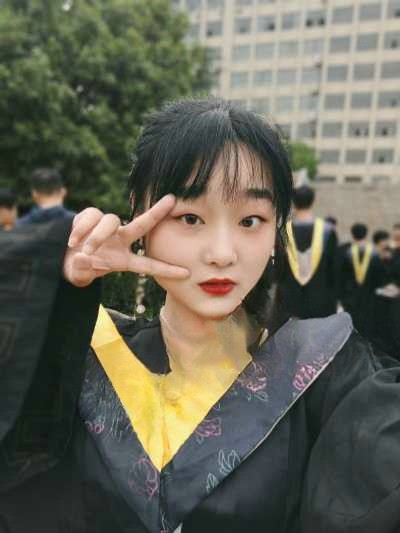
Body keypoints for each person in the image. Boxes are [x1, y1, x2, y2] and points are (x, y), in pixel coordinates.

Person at [1, 98, 400, 533]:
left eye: (251, 220)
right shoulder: (79, 351)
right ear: (139, 212)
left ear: (275, 229)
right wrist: (49, 278)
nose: (222, 254)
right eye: (190, 218)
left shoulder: (327, 374)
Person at [275, 185, 338, 319]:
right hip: (321, 299)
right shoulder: (328, 232)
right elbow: (334, 269)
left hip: (290, 300)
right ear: (313, 202)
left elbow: (277, 269)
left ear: (293, 202)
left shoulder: (282, 232)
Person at [338, 222, 385, 339]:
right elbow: (380, 277)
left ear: (352, 234)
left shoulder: (345, 253)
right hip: (370, 297)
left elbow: (341, 276)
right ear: (366, 234)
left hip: (350, 297)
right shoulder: (375, 254)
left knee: (352, 327)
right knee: (368, 328)